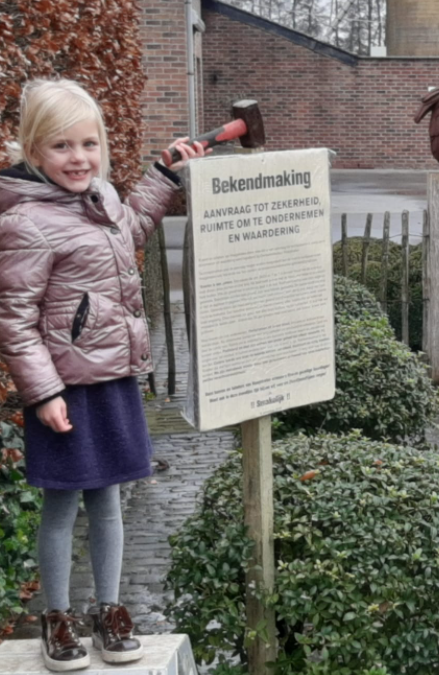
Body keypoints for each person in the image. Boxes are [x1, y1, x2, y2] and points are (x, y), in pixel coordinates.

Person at [0, 78, 209, 672]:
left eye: (89, 144)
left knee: (111, 498)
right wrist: (42, 393)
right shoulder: (24, 222)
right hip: (65, 392)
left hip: (113, 379)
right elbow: (14, 320)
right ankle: (58, 617)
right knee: (62, 507)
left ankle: (111, 609)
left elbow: (132, 230)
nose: (79, 158)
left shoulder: (104, 200)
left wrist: (163, 175)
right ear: (33, 150)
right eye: (61, 146)